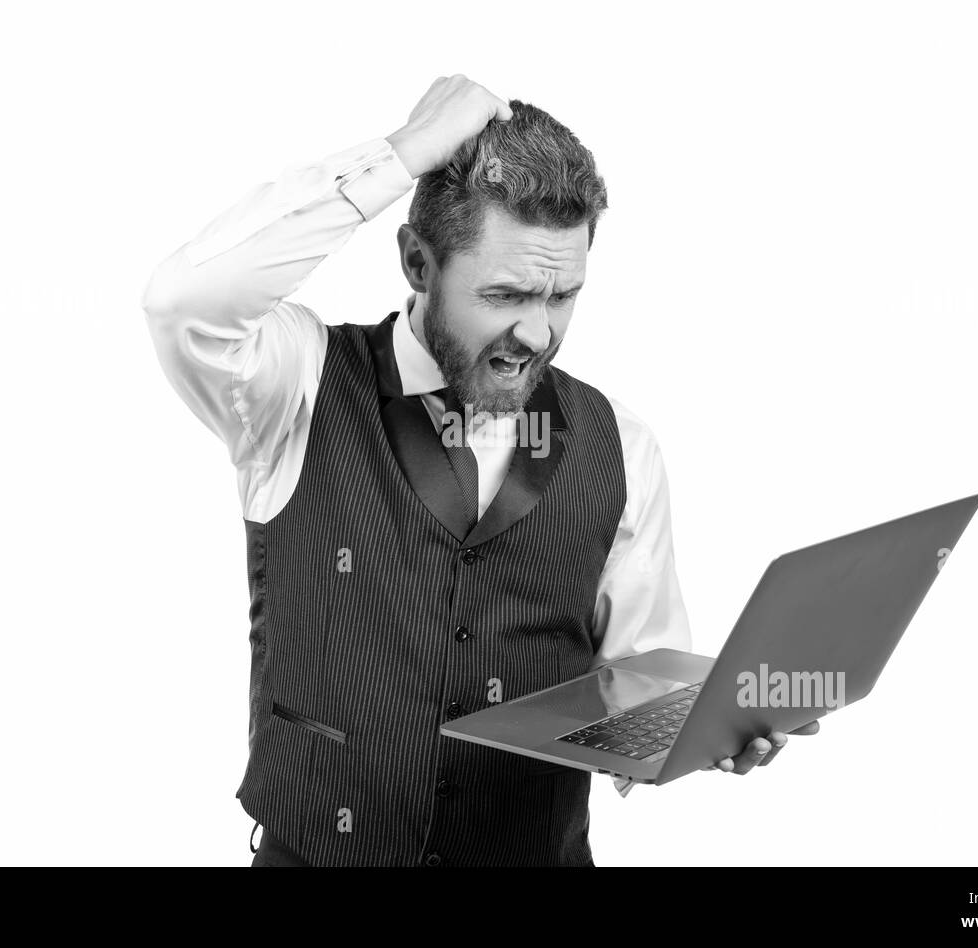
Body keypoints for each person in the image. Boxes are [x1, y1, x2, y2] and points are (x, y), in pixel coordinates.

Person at [141, 75, 815, 867]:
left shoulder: (619, 443)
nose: (538, 330)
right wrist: (397, 158)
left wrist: (715, 722)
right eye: (506, 294)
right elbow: (182, 301)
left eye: (563, 295)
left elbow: (632, 682)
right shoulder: (293, 385)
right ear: (417, 263)